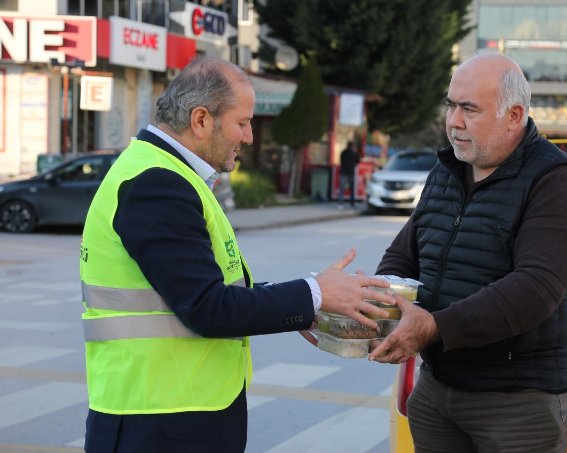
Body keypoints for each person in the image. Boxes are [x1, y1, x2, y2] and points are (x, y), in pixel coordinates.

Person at [79, 56, 395, 453]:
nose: (248, 137)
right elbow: (208, 307)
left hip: (171, 411)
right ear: (201, 120)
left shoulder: (165, 175)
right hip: (162, 418)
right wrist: (313, 293)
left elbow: (210, 289)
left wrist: (310, 300)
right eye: (241, 123)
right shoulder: (157, 184)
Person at [369, 51, 567, 453]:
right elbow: (405, 256)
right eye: (451, 106)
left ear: (514, 115)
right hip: (439, 390)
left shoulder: (556, 181)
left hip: (518, 403)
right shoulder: (446, 171)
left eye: (469, 109)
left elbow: (535, 289)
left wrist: (434, 327)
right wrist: (377, 309)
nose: (454, 121)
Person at [338, 141, 359, 208]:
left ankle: (341, 203)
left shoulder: (343, 152)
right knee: (352, 188)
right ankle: (352, 203)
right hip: (351, 172)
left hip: (343, 172)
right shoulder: (354, 153)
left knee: (342, 188)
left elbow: (341, 161)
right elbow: (358, 161)